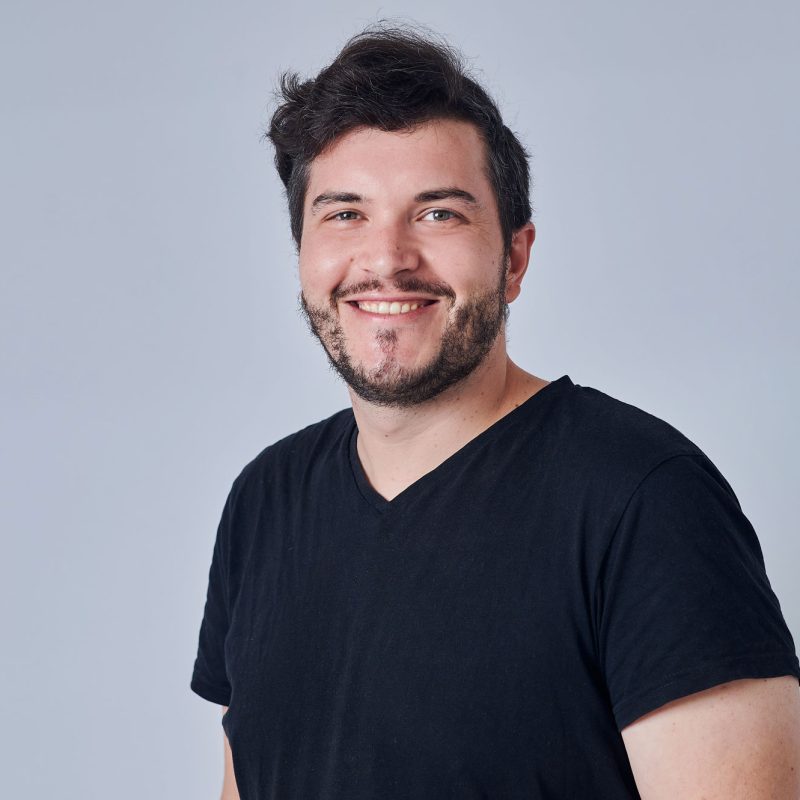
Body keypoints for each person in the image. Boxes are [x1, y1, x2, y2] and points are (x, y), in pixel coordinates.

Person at [191, 23, 800, 800]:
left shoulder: (644, 501)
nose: (386, 259)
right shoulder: (265, 502)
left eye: (438, 214)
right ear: (303, 253)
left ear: (514, 257)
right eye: (344, 214)